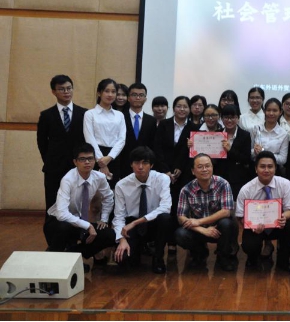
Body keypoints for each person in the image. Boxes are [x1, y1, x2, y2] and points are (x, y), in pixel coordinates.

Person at [44, 144, 115, 264]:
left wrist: (104, 219)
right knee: (64, 227)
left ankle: (71, 255)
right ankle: (55, 258)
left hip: (78, 221)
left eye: (90, 158)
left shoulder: (99, 177)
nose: (87, 162)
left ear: (95, 160)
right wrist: (88, 226)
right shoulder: (68, 179)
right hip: (56, 222)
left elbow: (108, 197)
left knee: (110, 235)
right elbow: (61, 214)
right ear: (75, 162)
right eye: (82, 159)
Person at [113, 146, 173, 274]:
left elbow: (165, 207)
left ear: (151, 165)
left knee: (165, 218)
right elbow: (118, 216)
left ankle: (158, 258)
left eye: (145, 163)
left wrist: (137, 222)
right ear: (131, 164)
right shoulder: (121, 185)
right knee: (123, 260)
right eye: (136, 163)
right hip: (132, 226)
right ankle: (139, 249)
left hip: (153, 223)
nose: (140, 167)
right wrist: (122, 239)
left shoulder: (162, 179)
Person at [235, 151, 290, 271]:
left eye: (270, 166)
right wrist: (251, 226)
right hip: (255, 228)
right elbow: (240, 216)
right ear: (256, 169)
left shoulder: (285, 184)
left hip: (278, 225)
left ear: (275, 168)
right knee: (249, 245)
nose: (266, 170)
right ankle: (253, 258)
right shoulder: (246, 189)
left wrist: (284, 216)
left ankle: (283, 260)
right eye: (262, 166)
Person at [176, 153, 238, 272]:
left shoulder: (223, 184)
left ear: (212, 168)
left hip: (218, 228)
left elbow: (226, 211)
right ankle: (199, 254)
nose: (204, 169)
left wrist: (199, 221)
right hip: (199, 230)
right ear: (193, 171)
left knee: (227, 223)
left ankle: (223, 257)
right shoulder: (186, 190)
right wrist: (202, 229)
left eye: (207, 166)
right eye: (200, 167)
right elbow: (181, 217)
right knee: (180, 234)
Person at [153, 95, 197, 257]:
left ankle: (174, 242)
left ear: (189, 109)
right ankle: (164, 242)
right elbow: (157, 149)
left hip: (183, 174)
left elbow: (192, 154)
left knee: (179, 208)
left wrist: (179, 169)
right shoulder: (164, 124)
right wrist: (166, 171)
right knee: (165, 208)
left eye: (185, 107)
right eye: (179, 106)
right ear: (173, 108)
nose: (182, 109)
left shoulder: (194, 127)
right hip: (163, 172)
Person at [37, 74, 87, 211]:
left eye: (69, 88)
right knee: (53, 202)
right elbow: (42, 142)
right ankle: (52, 225)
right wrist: (49, 160)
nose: (66, 92)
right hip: (54, 167)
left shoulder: (84, 113)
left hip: (78, 165)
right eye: (61, 89)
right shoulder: (46, 115)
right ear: (54, 92)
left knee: (78, 203)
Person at [83, 78, 126, 185]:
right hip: (95, 155)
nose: (110, 95)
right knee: (94, 189)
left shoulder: (119, 115)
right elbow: (89, 138)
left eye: (113, 92)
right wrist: (101, 161)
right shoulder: (90, 114)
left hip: (114, 156)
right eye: (107, 91)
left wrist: (109, 157)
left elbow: (122, 139)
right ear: (99, 93)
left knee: (113, 189)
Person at [120, 82, 157, 179]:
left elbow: (153, 145)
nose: (138, 98)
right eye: (134, 95)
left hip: (144, 167)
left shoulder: (151, 120)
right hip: (123, 165)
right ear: (128, 98)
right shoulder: (120, 117)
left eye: (141, 95)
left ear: (145, 99)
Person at [217, 104, 253, 199]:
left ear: (238, 118)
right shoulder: (217, 134)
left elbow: (246, 159)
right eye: (226, 117)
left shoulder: (245, 135)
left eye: (233, 117)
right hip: (219, 177)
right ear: (222, 119)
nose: (229, 120)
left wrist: (230, 150)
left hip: (238, 179)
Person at [250, 98, 289, 171]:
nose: (271, 113)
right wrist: (254, 152)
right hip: (255, 169)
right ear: (264, 111)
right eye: (268, 110)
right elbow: (249, 152)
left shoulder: (283, 134)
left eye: (275, 110)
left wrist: (264, 152)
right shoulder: (256, 129)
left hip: (274, 170)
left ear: (280, 112)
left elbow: (283, 159)